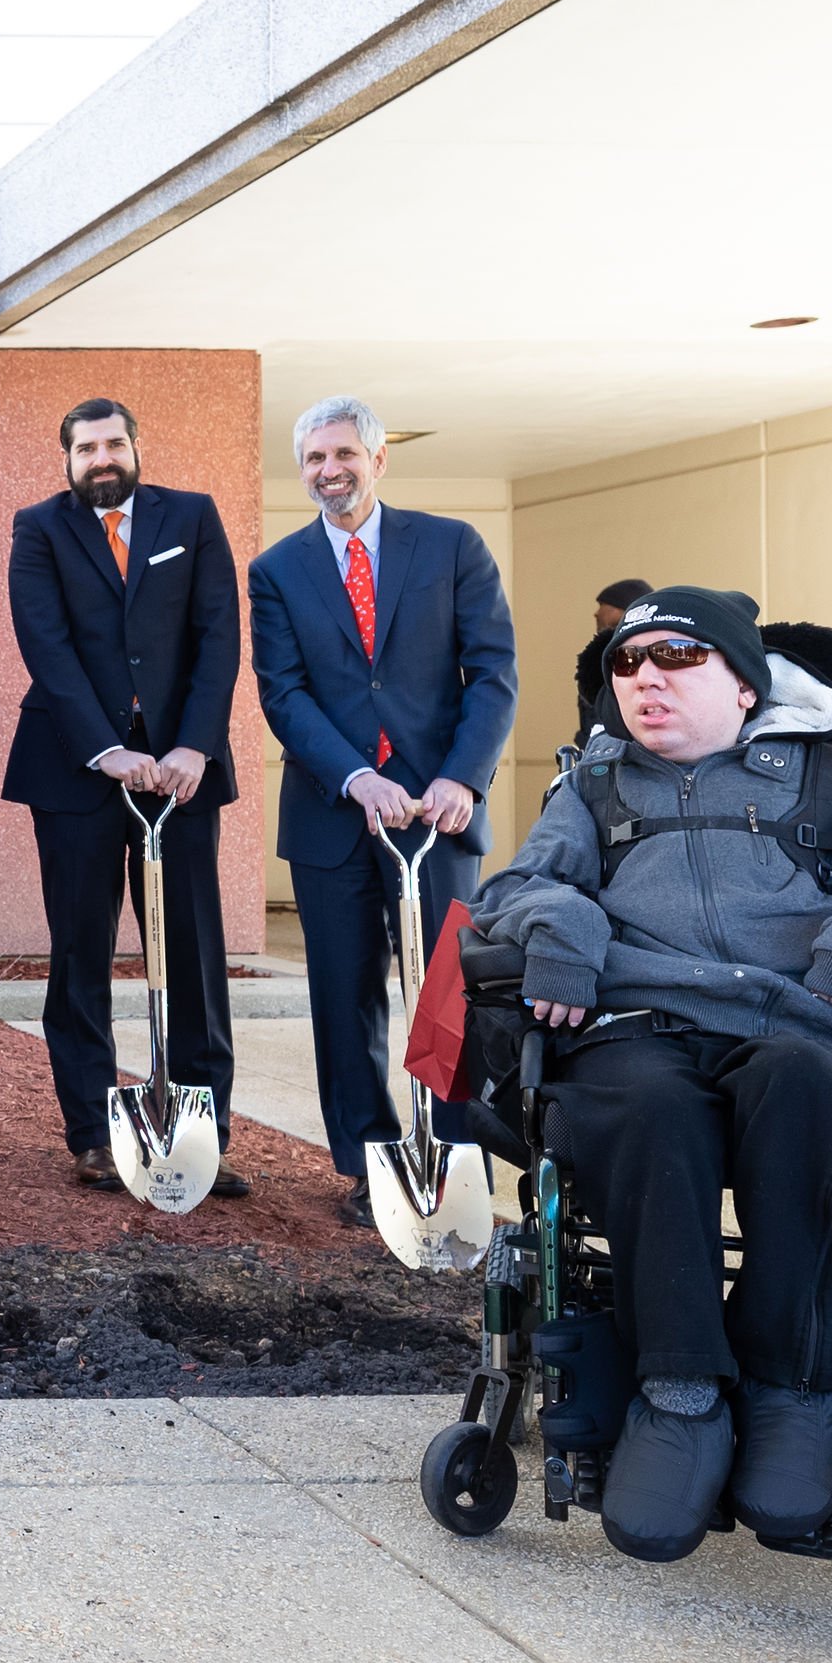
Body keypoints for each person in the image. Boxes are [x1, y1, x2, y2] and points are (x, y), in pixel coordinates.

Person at [475, 589, 832, 1562]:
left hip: (804, 1025)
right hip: (639, 1028)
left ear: (743, 685)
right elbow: (515, 891)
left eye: (676, 659)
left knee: (805, 1093)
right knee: (650, 1109)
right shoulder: (593, 788)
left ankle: (798, 1394)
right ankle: (682, 1398)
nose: (645, 679)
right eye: (627, 664)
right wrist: (562, 929)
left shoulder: (823, 780)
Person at [248, 394, 519, 1225]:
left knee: (446, 993)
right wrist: (355, 777)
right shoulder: (277, 569)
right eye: (314, 461)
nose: (329, 472)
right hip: (336, 813)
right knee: (345, 991)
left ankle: (450, 1155)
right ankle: (372, 1163)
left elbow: (494, 672)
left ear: (378, 458)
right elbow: (284, 694)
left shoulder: (450, 546)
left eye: (343, 455)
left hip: (438, 811)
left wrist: (462, 779)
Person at [3, 396, 246, 1196]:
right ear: (66, 458)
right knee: (81, 955)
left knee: (193, 956)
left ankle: (200, 1132)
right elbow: (45, 641)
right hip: (76, 772)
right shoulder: (39, 528)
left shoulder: (194, 515)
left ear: (136, 447)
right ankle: (94, 1135)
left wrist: (194, 745)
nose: (101, 458)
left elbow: (219, 635)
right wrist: (105, 749)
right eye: (85, 447)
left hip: (180, 776)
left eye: (113, 443)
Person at [578, 579, 654, 740]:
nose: (596, 613)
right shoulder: (595, 660)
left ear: (624, 610)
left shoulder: (632, 661)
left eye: (604, 605)